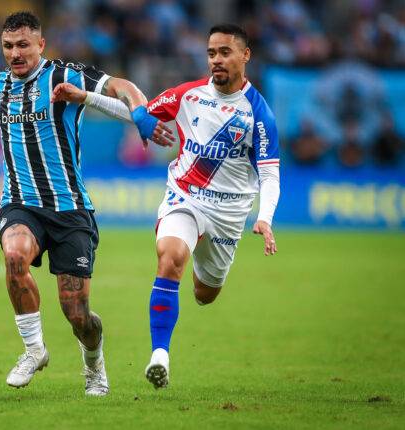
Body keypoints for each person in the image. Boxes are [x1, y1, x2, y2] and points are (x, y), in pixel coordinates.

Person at [0, 11, 174, 396]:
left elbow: (121, 86)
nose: (15, 53)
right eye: (8, 46)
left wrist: (138, 114)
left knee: (77, 314)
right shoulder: (0, 85)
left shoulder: (63, 74)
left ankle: (94, 365)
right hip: (20, 203)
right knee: (14, 256)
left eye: (23, 44)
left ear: (41, 45)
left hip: (71, 209)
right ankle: (33, 349)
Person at [145, 24, 282, 389]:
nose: (216, 60)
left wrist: (264, 218)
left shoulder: (259, 114)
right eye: (211, 53)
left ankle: (198, 267)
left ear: (245, 55)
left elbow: (269, 176)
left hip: (229, 214)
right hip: (185, 196)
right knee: (170, 257)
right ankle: (160, 354)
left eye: (224, 52)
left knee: (205, 294)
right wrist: (88, 98)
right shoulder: (188, 95)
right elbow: (141, 112)